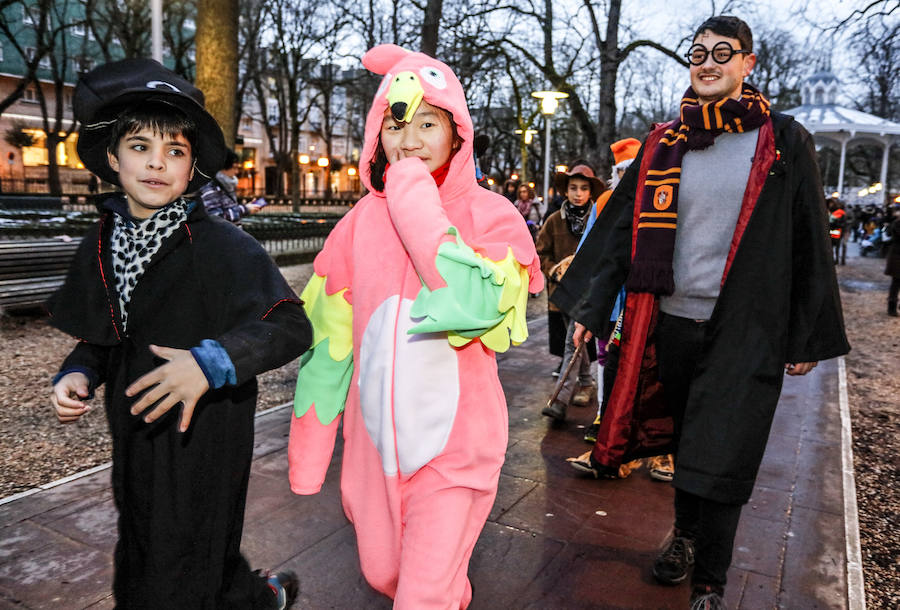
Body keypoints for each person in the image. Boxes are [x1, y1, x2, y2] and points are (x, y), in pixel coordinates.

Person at [552, 16, 849, 609]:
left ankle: (711, 581)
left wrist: (806, 334)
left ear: (748, 64)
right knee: (687, 443)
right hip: (667, 325)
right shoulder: (665, 142)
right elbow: (618, 233)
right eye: (696, 54)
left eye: (722, 53)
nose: (707, 63)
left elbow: (807, 236)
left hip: (746, 326)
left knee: (727, 447)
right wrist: (588, 305)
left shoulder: (783, 141)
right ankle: (686, 536)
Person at [48, 58, 311, 609]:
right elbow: (105, 332)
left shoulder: (224, 246)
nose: (156, 163)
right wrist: (78, 372)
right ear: (112, 158)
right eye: (140, 146)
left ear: (193, 168)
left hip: (206, 433)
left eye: (175, 150)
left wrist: (211, 362)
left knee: (187, 555)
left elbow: (289, 325)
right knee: (146, 541)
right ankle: (258, 598)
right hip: (135, 431)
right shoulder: (101, 243)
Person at [286, 44, 542, 609]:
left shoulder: (492, 216)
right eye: (396, 123)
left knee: (421, 594)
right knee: (388, 575)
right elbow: (328, 344)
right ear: (377, 134)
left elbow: (474, 304)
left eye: (428, 123)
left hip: (457, 450)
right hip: (372, 454)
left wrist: (412, 199)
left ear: (457, 133)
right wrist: (309, 454)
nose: (409, 140)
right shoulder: (354, 228)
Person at [537, 163, 604, 421]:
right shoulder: (554, 221)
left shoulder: (598, 219)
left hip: (587, 293)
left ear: (591, 191)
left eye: (584, 188)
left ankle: (559, 399)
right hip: (561, 293)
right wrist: (554, 269)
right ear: (565, 191)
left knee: (572, 341)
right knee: (575, 340)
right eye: (573, 188)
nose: (578, 193)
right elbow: (540, 252)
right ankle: (586, 382)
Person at [198, 149, 264, 225]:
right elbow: (216, 217)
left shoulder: (225, 185)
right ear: (222, 167)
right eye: (234, 168)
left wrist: (247, 207)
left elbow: (229, 210)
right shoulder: (210, 188)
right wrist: (245, 209)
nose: (237, 172)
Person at [886, 205, 900, 316]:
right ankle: (892, 307)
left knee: (895, 283)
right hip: (897, 256)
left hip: (896, 255)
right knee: (896, 283)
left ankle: (893, 306)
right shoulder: (897, 224)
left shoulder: (895, 223)